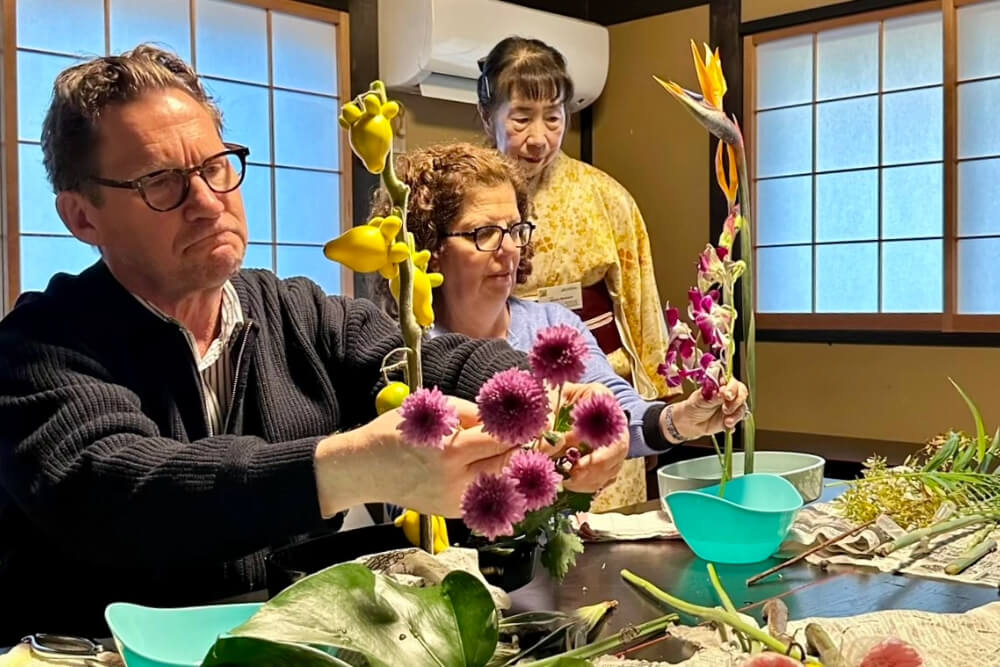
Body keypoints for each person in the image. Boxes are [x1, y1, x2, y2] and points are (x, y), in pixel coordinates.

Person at [0, 46, 622, 643]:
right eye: (162, 182)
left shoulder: (293, 311)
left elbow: (425, 358)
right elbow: (130, 494)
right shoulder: (39, 347)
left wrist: (553, 398)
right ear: (82, 217)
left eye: (216, 167)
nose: (208, 203)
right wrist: (343, 468)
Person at [372, 142, 747, 478]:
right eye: (483, 233)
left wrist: (681, 419)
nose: (508, 249)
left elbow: (613, 407)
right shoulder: (406, 352)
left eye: (516, 230)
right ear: (429, 247)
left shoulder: (552, 326)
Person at [477, 37, 677, 508]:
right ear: (488, 115)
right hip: (497, 400)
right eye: (521, 116)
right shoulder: (466, 196)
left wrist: (654, 406)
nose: (539, 137)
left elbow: (639, 297)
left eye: (554, 116)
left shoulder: (605, 196)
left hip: (597, 394)